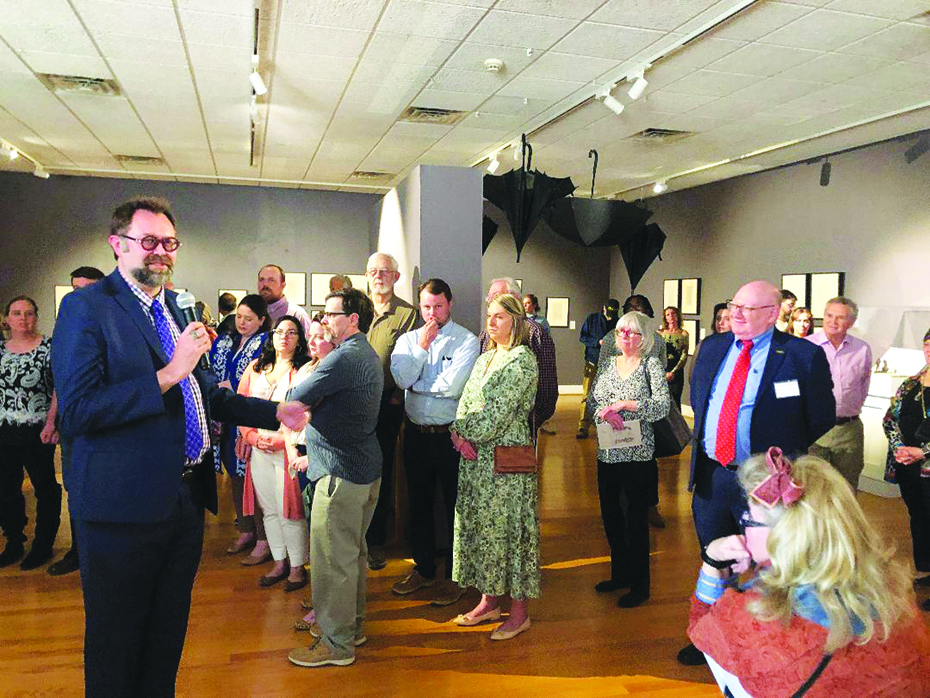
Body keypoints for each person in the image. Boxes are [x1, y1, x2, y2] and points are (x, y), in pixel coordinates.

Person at [52, 196, 308, 696]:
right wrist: (170, 372)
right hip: (120, 508)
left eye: (169, 243)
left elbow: (206, 392)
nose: (160, 253)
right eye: (148, 241)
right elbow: (80, 411)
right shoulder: (87, 308)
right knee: (117, 640)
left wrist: (275, 412)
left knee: (166, 634)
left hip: (184, 501)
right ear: (117, 245)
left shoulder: (169, 307)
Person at [679, 279, 835, 667]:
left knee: (770, 564)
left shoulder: (800, 355)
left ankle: (764, 642)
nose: (736, 313)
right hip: (715, 474)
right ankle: (709, 637)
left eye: (747, 309)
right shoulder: (713, 347)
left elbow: (820, 416)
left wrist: (781, 450)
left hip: (768, 482)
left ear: (772, 314)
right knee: (714, 555)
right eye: (734, 305)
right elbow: (701, 400)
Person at [689, 448, 930, 696]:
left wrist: (713, 560)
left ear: (784, 535)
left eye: (749, 519)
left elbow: (701, 629)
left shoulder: (756, 619)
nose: (743, 524)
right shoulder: (896, 595)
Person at [286, 288, 383, 668]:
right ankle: (351, 627)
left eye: (330, 313)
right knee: (351, 555)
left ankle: (336, 644)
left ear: (353, 319)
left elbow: (296, 393)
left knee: (331, 561)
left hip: (340, 474)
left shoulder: (344, 357)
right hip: (361, 469)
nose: (324, 320)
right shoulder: (361, 354)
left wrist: (313, 398)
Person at [450, 292, 539, 640]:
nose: (491, 322)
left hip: (506, 461)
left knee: (509, 532)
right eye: (489, 315)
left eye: (499, 316)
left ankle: (519, 613)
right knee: (483, 530)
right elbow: (465, 402)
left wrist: (460, 432)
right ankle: (489, 602)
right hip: (475, 459)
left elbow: (495, 416)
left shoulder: (522, 361)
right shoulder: (486, 357)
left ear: (516, 321)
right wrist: (458, 433)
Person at [389, 279, 480, 606]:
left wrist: (416, 385)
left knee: (456, 507)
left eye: (438, 306)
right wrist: (421, 349)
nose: (432, 313)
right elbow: (400, 379)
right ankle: (424, 569)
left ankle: (458, 577)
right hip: (415, 434)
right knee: (419, 504)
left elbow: (454, 386)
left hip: (451, 438)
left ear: (450, 304)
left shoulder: (466, 340)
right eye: (426, 307)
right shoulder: (408, 340)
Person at [590, 311, 670, 608]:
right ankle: (619, 574)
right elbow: (592, 402)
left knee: (634, 521)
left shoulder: (650, 366)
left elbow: (662, 406)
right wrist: (602, 412)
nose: (624, 336)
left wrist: (628, 404)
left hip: (638, 456)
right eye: (621, 331)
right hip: (608, 453)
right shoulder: (608, 364)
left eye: (632, 332)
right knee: (611, 517)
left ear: (644, 338)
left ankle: (640, 585)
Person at [237, 316, 313, 592]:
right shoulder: (256, 368)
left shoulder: (305, 369)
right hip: (259, 450)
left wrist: (284, 440)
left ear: (299, 338)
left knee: (290, 512)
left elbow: (308, 413)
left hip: (288, 451)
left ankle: (296, 567)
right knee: (268, 508)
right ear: (272, 335)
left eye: (292, 332)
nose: (285, 337)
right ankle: (279, 562)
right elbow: (240, 406)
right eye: (280, 331)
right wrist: (252, 437)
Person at [48, 266, 106, 577]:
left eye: (88, 287)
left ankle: (102, 552)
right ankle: (79, 550)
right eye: (75, 288)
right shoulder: (67, 327)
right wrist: (53, 419)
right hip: (75, 423)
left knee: (106, 485)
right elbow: (63, 380)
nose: (80, 294)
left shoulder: (113, 325)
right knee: (75, 486)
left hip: (106, 422)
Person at [364, 252, 418, 570]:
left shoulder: (407, 314)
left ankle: (375, 542)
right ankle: (354, 537)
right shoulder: (357, 309)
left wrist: (397, 396)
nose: (379, 276)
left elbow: (409, 358)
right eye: (373, 271)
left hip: (386, 406)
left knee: (381, 473)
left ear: (396, 278)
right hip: (354, 405)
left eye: (385, 271)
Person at [208, 294, 271, 560]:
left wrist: (233, 388)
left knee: (253, 479)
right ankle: (245, 530)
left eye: (249, 318)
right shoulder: (227, 340)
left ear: (262, 320)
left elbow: (263, 378)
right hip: (224, 418)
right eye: (240, 317)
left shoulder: (265, 344)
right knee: (234, 474)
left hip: (249, 415)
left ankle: (263, 537)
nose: (243, 323)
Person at [0, 296, 61, 570]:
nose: (22, 318)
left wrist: (52, 423)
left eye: (28, 313)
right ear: (7, 319)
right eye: (16, 313)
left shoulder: (49, 348)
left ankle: (43, 545)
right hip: (4, 430)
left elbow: (59, 388)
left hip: (38, 429)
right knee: (6, 489)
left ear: (36, 317)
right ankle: (14, 542)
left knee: (44, 487)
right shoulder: (0, 350)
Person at [603, 294, 667, 529]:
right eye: (631, 309)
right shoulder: (612, 339)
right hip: (614, 420)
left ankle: (649, 506)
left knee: (646, 467)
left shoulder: (657, 340)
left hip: (644, 419)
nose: (635, 313)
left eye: (640, 309)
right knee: (614, 469)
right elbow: (603, 371)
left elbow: (661, 370)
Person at [883, 327, 930, 604]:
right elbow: (890, 417)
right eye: (927, 345)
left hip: (924, 463)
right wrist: (900, 448)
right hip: (908, 467)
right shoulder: (911, 383)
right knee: (919, 518)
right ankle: (928, 568)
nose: (929, 350)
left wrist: (921, 451)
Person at [807, 297, 872, 492]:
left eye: (840, 317)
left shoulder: (861, 349)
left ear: (851, 322)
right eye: (829, 315)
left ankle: (843, 523)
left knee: (847, 487)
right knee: (812, 486)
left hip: (848, 429)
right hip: (815, 429)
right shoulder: (806, 346)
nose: (832, 321)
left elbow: (863, 386)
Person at [478, 278, 558, 436]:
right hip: (484, 429)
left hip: (518, 433)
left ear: (515, 298)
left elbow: (547, 389)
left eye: (496, 296)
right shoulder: (485, 335)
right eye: (490, 298)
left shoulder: (535, 333)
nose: (491, 301)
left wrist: (527, 424)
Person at [577, 298, 621, 439]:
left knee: (610, 397)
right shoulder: (592, 319)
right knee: (587, 395)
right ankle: (583, 426)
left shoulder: (618, 323)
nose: (610, 316)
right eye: (608, 312)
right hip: (592, 362)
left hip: (611, 365)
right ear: (603, 308)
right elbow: (583, 337)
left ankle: (607, 426)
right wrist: (597, 342)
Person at [258, 264, 312, 336]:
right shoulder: (254, 313)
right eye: (261, 279)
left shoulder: (297, 315)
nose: (265, 284)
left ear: (283, 285)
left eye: (271, 280)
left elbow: (308, 344)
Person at [689, 302, 731, 384]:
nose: (720, 323)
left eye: (727, 319)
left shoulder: (740, 347)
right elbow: (692, 376)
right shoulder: (705, 344)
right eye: (718, 318)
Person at [659, 305, 689, 409]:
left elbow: (684, 355)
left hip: (677, 369)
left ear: (677, 316)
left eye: (673, 314)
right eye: (668, 314)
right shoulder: (660, 334)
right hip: (662, 367)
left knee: (675, 399)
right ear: (665, 318)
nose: (671, 316)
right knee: (662, 398)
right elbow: (657, 353)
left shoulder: (683, 334)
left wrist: (674, 371)